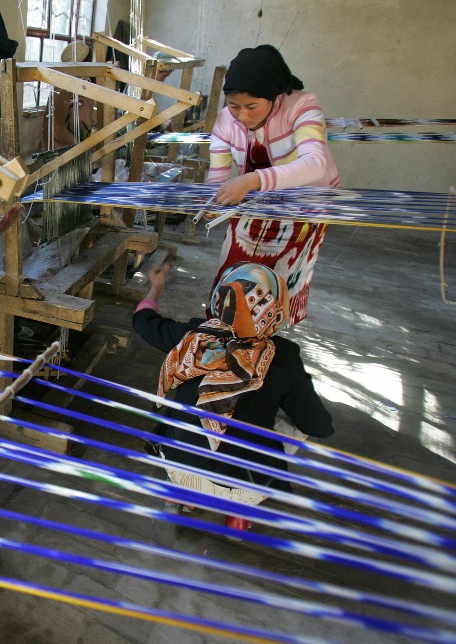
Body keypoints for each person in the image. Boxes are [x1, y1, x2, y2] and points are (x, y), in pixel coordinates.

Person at [133, 261, 333, 531]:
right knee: (293, 421)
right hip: (243, 486)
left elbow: (143, 320)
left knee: (188, 406)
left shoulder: (196, 336)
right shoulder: (284, 358)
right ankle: (238, 512)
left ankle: (182, 490)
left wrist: (156, 287)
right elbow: (317, 424)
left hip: (180, 465)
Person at [205, 44, 340, 326]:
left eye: (251, 106)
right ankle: (224, 330)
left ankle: (264, 340)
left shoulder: (302, 106)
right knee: (234, 279)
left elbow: (316, 164)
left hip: (303, 208)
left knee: (276, 289)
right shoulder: (225, 120)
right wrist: (213, 202)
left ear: (274, 96)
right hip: (253, 206)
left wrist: (253, 179)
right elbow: (217, 176)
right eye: (234, 106)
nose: (242, 116)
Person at [43, 40, 97, 150]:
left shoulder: (58, 83)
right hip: (69, 150)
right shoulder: (82, 86)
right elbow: (80, 119)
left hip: (50, 146)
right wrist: (90, 134)